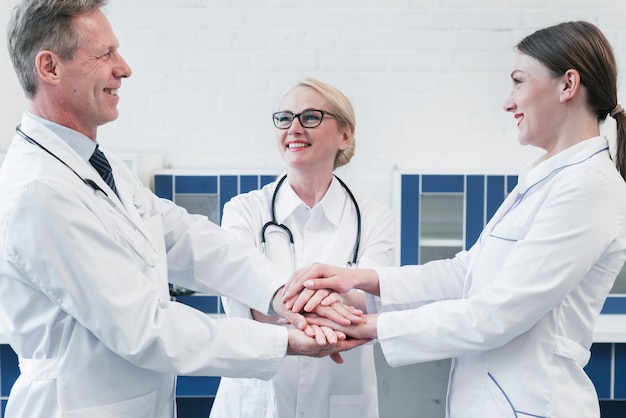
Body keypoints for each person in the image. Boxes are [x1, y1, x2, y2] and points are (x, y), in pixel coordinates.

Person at [0, 2, 367, 418]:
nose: (124, 68)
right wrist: (283, 342)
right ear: (49, 67)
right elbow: (144, 328)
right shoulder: (39, 190)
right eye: (104, 54)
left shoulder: (96, 165)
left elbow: (183, 237)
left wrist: (283, 293)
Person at [283, 21, 626, 418]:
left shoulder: (589, 187)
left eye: (518, 81)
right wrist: (360, 279)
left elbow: (498, 313)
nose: (508, 102)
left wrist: (371, 326)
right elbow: (467, 273)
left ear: (568, 85)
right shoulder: (544, 179)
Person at [210, 78, 395, 418]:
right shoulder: (245, 211)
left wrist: (278, 303)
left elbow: (370, 304)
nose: (293, 128)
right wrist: (336, 300)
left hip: (339, 396)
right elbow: (240, 297)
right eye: (284, 118)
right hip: (256, 399)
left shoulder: (374, 217)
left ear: (345, 134)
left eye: (310, 117)